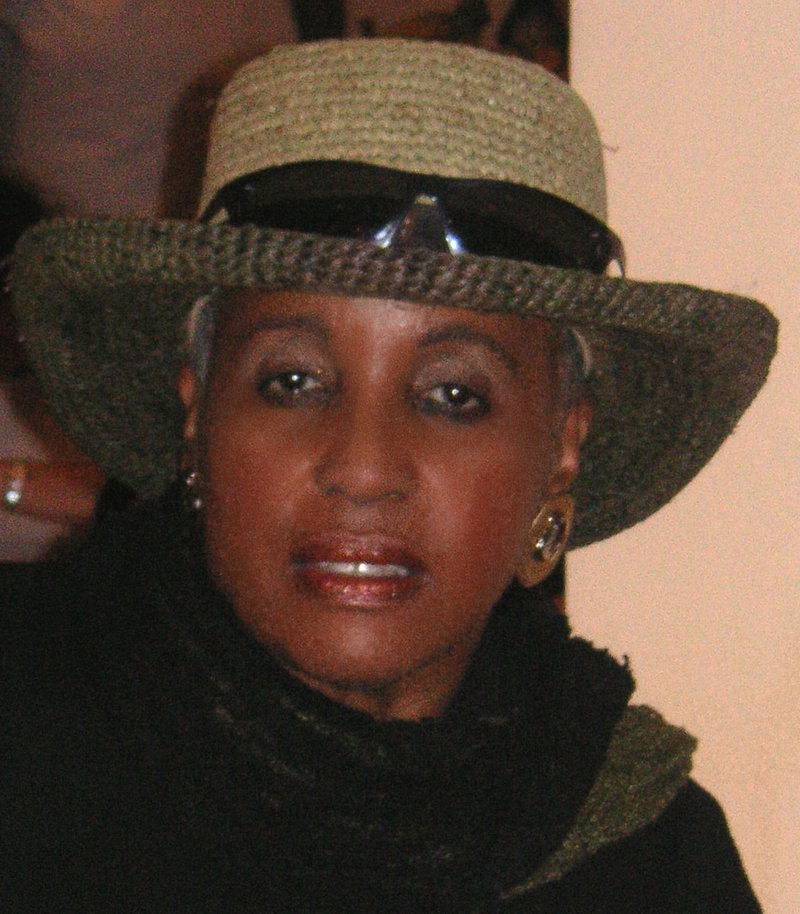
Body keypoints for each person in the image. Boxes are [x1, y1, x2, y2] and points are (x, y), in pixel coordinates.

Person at [4, 40, 776, 912]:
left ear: (563, 442)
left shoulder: (644, 856)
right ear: (198, 408)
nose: (363, 469)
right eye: (293, 382)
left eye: (454, 396)